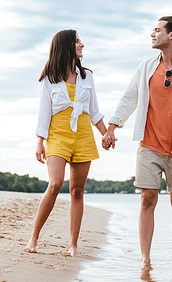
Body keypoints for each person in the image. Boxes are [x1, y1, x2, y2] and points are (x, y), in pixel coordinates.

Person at [104, 16, 172, 263]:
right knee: (147, 198)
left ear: (171, 34)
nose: (152, 35)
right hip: (149, 145)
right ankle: (145, 260)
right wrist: (112, 127)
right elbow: (129, 98)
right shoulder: (145, 67)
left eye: (157, 30)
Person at [24, 29, 109, 256]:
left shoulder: (87, 76)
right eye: (78, 41)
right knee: (54, 184)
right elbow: (44, 112)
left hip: (82, 135)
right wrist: (40, 142)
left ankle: (73, 245)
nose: (82, 45)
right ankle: (34, 238)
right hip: (58, 134)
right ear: (66, 46)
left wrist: (106, 134)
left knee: (77, 191)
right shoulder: (50, 78)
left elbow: (94, 111)